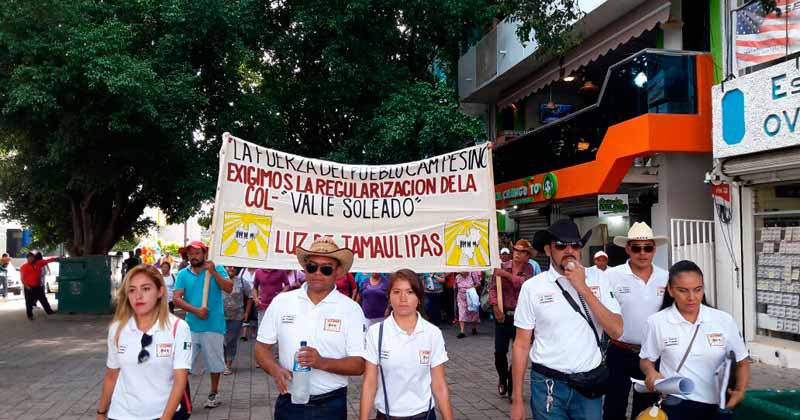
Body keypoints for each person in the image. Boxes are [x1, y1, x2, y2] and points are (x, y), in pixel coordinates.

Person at [510, 219, 623, 420]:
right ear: (548, 250)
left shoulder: (598, 278)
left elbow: (617, 330)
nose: (569, 250)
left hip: (588, 384)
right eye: (561, 245)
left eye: (575, 245)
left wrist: (583, 287)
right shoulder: (533, 287)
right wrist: (517, 399)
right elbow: (521, 344)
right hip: (547, 384)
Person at [255, 236, 366, 420]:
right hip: (289, 403)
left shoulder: (351, 309)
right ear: (305, 268)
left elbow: (359, 364)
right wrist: (275, 370)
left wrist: (321, 362)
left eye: (326, 269)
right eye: (312, 267)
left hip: (331, 406)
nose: (318, 273)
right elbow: (261, 348)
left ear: (337, 272)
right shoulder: (282, 302)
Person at [640, 260, 750, 419]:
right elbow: (646, 361)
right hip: (676, 404)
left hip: (718, 407)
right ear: (670, 290)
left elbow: (742, 361)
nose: (691, 297)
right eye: (683, 290)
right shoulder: (656, 322)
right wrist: (651, 373)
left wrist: (740, 391)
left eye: (698, 290)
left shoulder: (723, 320)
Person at [95, 264, 191, 420]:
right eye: (132, 290)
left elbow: (180, 380)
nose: (138, 296)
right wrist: (101, 413)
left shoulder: (178, 328)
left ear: (160, 291)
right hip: (120, 414)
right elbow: (112, 374)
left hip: (163, 414)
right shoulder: (117, 329)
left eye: (146, 289)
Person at [359, 269, 454, 420]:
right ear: (389, 297)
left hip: (424, 415)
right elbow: (369, 383)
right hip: (387, 415)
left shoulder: (432, 333)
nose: (403, 298)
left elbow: (439, 384)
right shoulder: (376, 333)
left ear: (419, 298)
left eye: (410, 292)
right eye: (396, 292)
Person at [603, 222, 669, 420]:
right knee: (613, 410)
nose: (642, 253)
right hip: (619, 352)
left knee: (646, 412)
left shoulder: (666, 278)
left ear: (654, 250)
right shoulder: (610, 276)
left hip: (652, 356)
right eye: (636, 248)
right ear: (627, 249)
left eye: (647, 248)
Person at [172, 240, 233, 409]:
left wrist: (213, 272)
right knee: (183, 363)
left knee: (215, 363)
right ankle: (180, 396)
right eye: (190, 254)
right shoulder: (183, 274)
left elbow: (229, 288)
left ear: (204, 254)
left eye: (197, 253)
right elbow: (176, 298)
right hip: (190, 326)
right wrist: (195, 310)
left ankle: (214, 393)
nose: (194, 256)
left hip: (213, 325)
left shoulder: (216, 268)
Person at [490, 239, 535, 398]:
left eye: (522, 252)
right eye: (516, 250)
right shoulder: (501, 266)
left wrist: (507, 276)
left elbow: (523, 285)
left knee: (518, 353)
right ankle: (503, 378)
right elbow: (492, 288)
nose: (517, 254)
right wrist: (496, 307)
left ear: (527, 255)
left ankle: (512, 386)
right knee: (499, 353)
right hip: (504, 315)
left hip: (522, 317)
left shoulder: (529, 269)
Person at [222, 265, 252, 375]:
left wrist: (247, 312)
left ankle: (228, 364)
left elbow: (250, 296)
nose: (231, 269)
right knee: (221, 340)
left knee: (231, 340)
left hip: (236, 316)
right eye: (228, 267)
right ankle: (221, 362)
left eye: (233, 267)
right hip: (220, 316)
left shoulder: (242, 282)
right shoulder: (219, 280)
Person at [20, 251, 57, 320]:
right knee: (29, 302)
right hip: (29, 287)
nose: (31, 259)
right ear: (27, 259)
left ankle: (49, 311)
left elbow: (47, 261)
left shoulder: (39, 263)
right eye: (29, 258)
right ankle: (30, 315)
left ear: (34, 258)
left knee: (43, 299)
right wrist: (27, 286)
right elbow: (22, 279)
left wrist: (56, 259)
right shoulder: (24, 267)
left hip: (38, 286)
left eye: (32, 258)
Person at [455, 271, 481, 338]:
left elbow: (478, 284)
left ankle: (474, 328)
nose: (460, 272)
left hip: (471, 296)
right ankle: (462, 332)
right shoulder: (457, 277)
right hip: (461, 297)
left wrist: (471, 288)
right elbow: (455, 287)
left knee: (474, 312)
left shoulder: (473, 274)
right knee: (461, 312)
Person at [239, 267, 258, 340]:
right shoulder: (243, 270)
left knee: (254, 314)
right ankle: (244, 334)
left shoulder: (258, 270)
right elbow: (239, 281)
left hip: (256, 295)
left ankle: (253, 331)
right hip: (245, 295)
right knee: (246, 313)